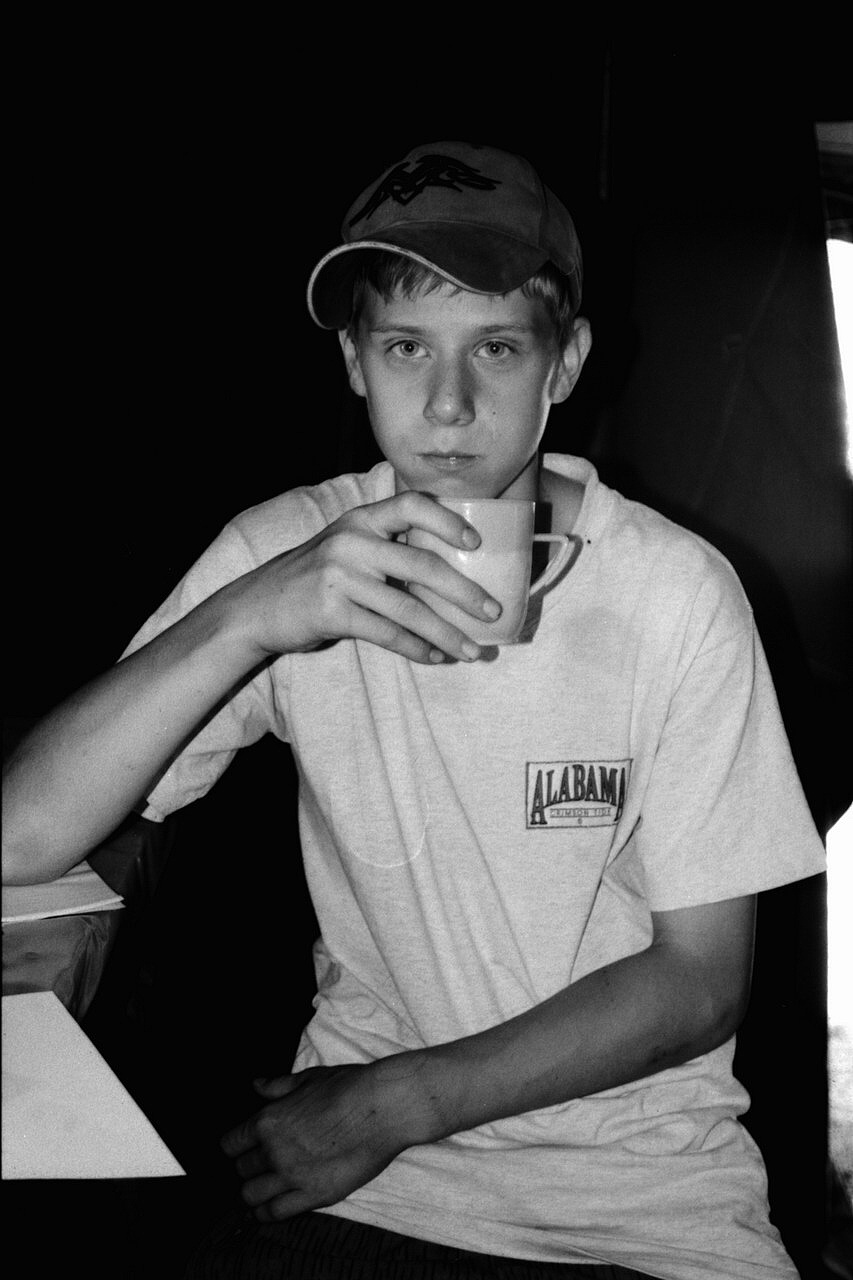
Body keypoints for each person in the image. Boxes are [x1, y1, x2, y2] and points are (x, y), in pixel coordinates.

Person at [2, 141, 827, 1279]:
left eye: (496, 347)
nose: (447, 404)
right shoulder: (290, 550)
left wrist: (396, 1103)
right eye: (405, 347)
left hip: (644, 1199)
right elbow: (20, 838)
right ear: (353, 361)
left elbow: (700, 981)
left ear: (565, 362)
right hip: (375, 1196)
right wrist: (250, 617)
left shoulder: (676, 591)